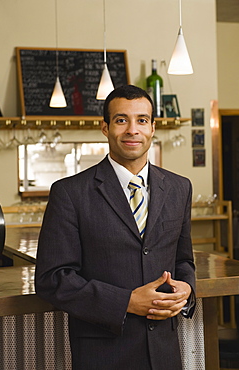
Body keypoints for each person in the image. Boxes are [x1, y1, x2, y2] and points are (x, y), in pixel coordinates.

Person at [35, 84, 196, 370]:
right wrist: (126, 302)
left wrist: (187, 289)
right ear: (105, 128)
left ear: (153, 128)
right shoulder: (70, 192)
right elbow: (53, 278)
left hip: (164, 352)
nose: (133, 130)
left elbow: (183, 260)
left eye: (142, 120)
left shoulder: (179, 187)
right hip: (104, 353)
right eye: (122, 120)